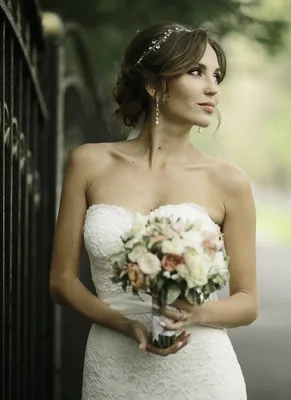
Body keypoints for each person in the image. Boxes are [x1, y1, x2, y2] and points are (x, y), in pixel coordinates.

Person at [49, 22, 258, 400]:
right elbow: (62, 282)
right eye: (196, 72)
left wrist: (196, 314)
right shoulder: (89, 163)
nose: (213, 87)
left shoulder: (229, 182)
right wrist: (125, 324)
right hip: (112, 364)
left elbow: (247, 302)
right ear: (153, 84)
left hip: (204, 371)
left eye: (217, 75)